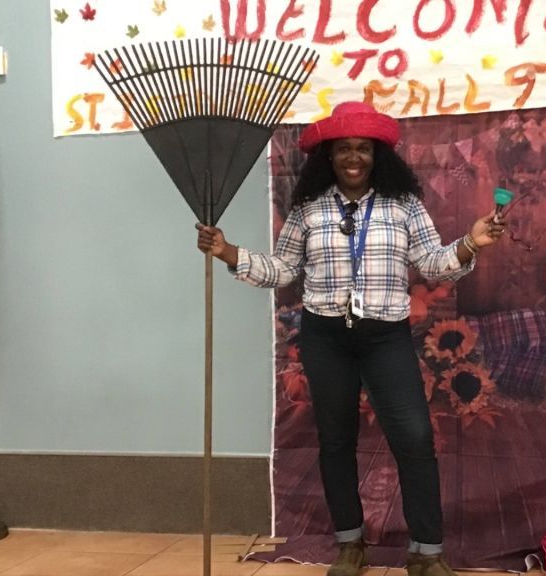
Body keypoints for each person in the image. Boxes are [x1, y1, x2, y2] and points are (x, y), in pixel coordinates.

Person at [197, 101, 506, 576]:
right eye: (345, 149)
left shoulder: (404, 206)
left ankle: (428, 551)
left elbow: (431, 262)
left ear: (378, 155)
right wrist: (227, 252)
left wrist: (471, 243)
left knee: (415, 438)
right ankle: (350, 545)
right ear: (329, 156)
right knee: (336, 440)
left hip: (386, 337)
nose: (354, 158)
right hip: (326, 338)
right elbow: (283, 270)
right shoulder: (308, 210)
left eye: (363, 149)